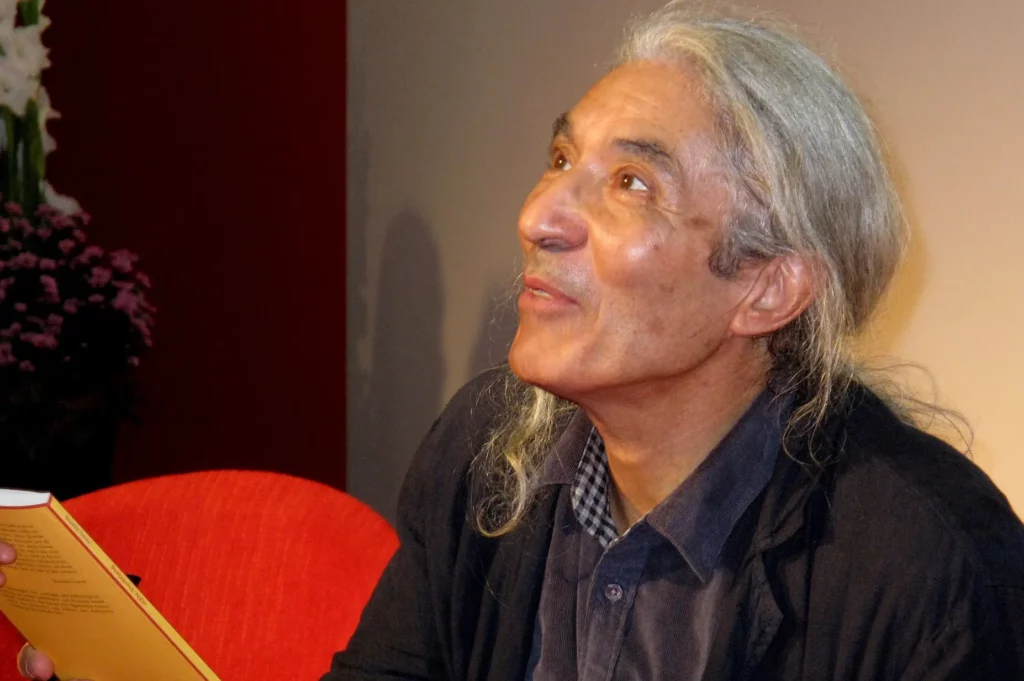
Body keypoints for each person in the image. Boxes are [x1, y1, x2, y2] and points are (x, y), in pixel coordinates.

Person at [6, 3, 1024, 679]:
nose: (539, 214)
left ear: (767, 288)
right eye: (561, 158)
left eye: (632, 183)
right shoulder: (488, 450)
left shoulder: (927, 566)